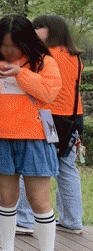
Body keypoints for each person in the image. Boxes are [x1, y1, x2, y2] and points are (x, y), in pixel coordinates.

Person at [0, 14, 62, 251]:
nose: (9, 51)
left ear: (27, 41)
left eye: (14, 45)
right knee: (7, 198)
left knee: (39, 201)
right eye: (4, 45)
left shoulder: (44, 62)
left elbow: (49, 93)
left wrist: (20, 73)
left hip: (35, 138)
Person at [13, 15, 84, 235]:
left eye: (39, 27)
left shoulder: (45, 55)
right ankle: (72, 220)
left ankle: (24, 219)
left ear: (51, 30)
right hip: (74, 118)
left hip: (49, 118)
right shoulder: (75, 57)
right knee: (67, 169)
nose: (34, 30)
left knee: (32, 165)